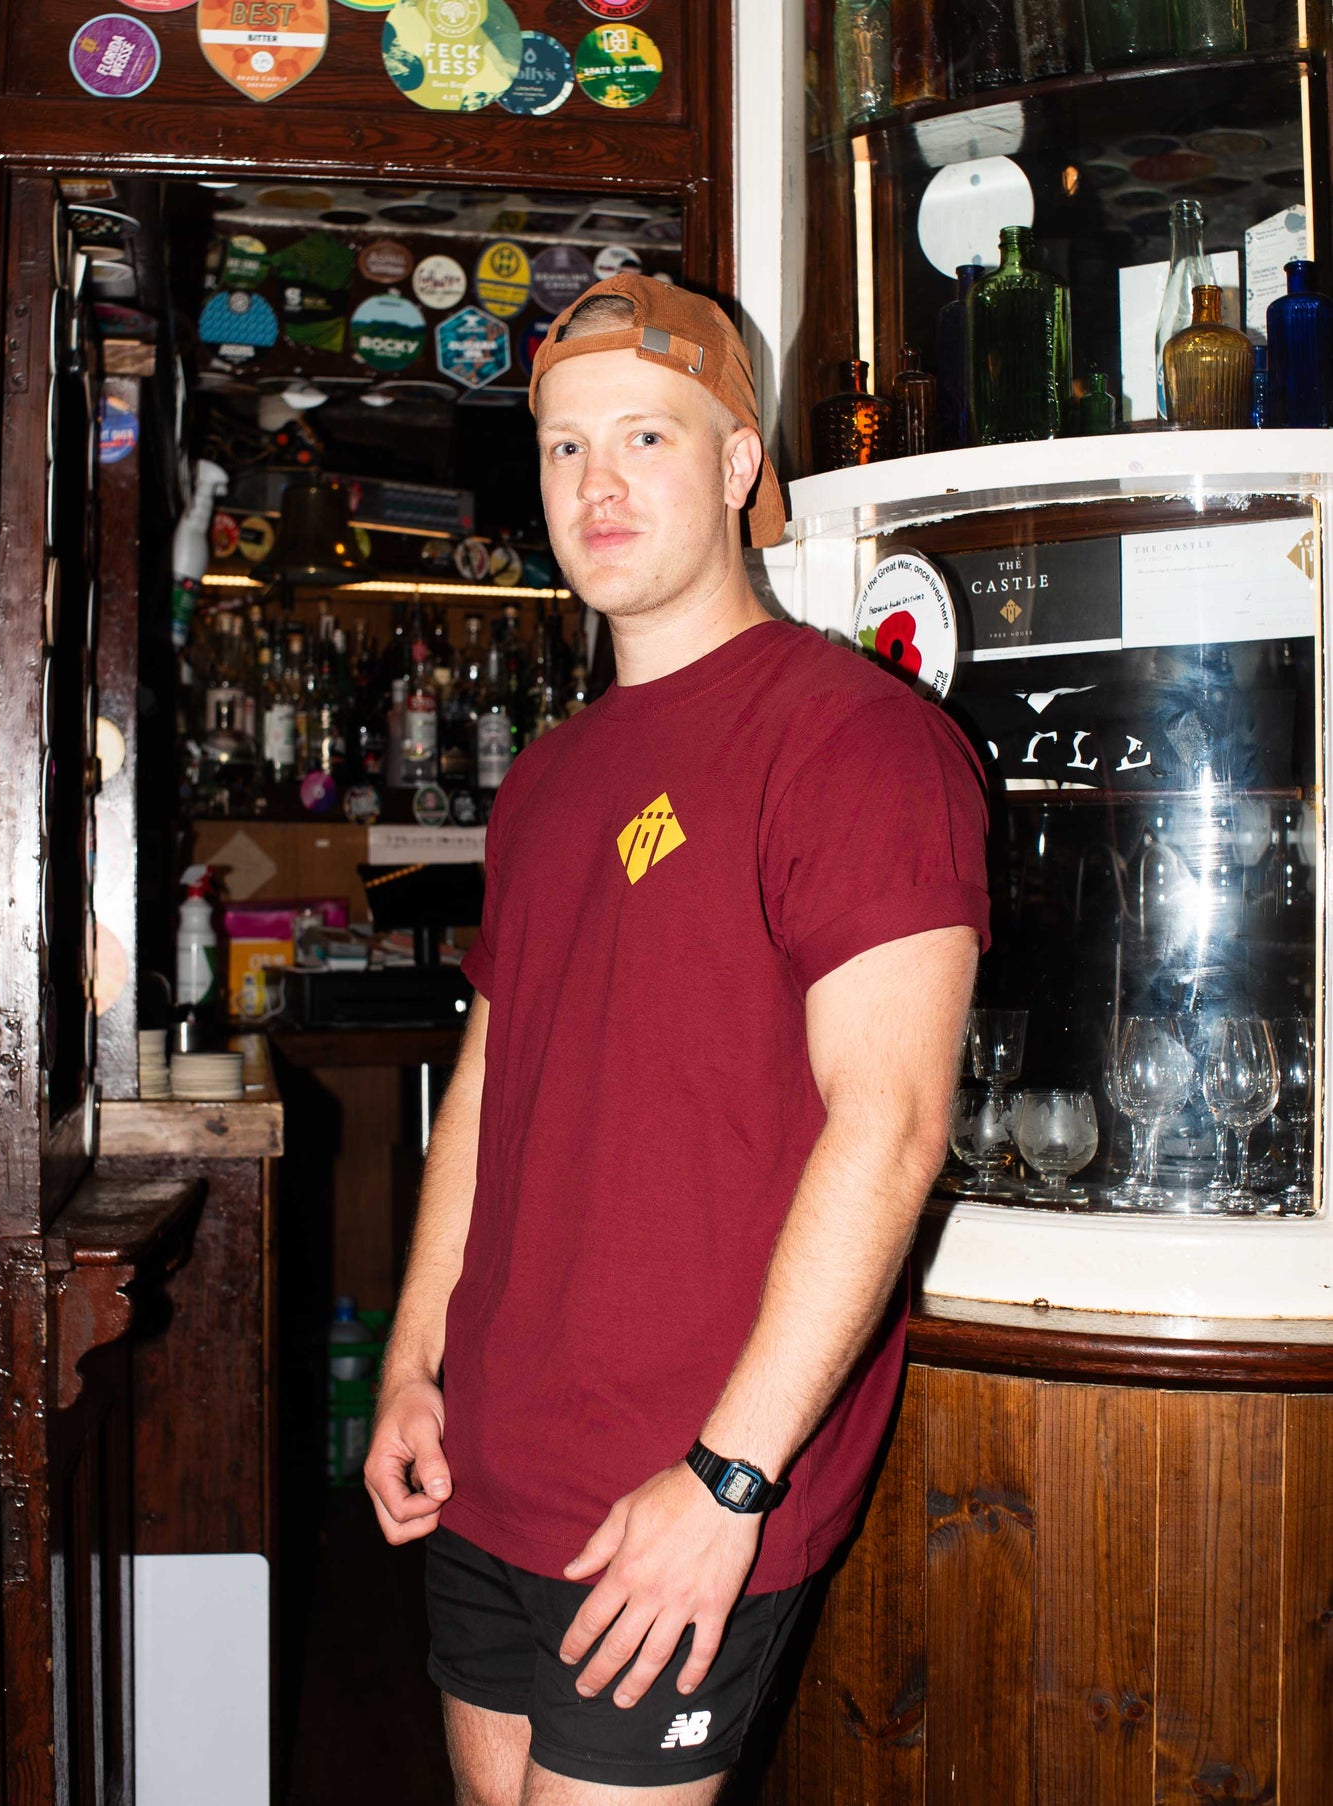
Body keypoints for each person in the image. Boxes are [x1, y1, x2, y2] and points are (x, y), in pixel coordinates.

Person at [365, 273, 990, 1804]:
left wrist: (727, 1484)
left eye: (645, 435)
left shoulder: (853, 740)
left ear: (732, 464)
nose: (598, 485)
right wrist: (409, 1362)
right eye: (565, 450)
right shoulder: (548, 780)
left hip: (685, 1480)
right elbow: (491, 1093)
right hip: (496, 1466)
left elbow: (892, 1129)